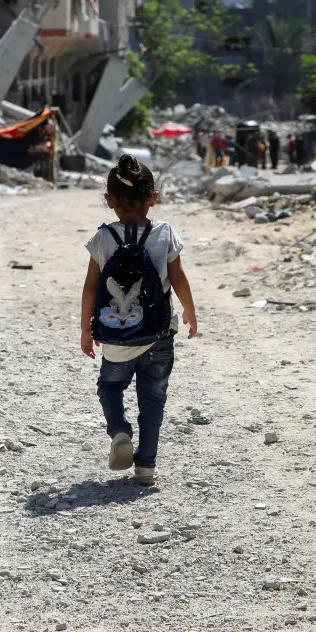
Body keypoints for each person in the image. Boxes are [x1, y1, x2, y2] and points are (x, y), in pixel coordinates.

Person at [80, 155, 198, 487]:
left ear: (109, 201)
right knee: (153, 397)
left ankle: (119, 431)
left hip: (117, 336)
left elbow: (90, 288)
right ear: (153, 198)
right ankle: (146, 466)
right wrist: (189, 311)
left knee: (110, 386)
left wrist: (86, 329)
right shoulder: (164, 233)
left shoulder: (103, 239)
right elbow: (179, 279)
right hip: (158, 334)